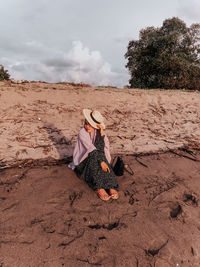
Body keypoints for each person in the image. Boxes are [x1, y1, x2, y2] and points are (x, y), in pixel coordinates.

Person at [68, 109, 119, 201]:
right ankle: (99, 187)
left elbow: (103, 148)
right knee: (94, 159)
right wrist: (102, 162)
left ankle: (111, 185)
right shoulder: (82, 133)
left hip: (97, 157)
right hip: (83, 162)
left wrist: (102, 133)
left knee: (102, 158)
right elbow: (92, 150)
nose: (87, 126)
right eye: (86, 123)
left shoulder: (99, 133)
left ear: (96, 126)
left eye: (90, 125)